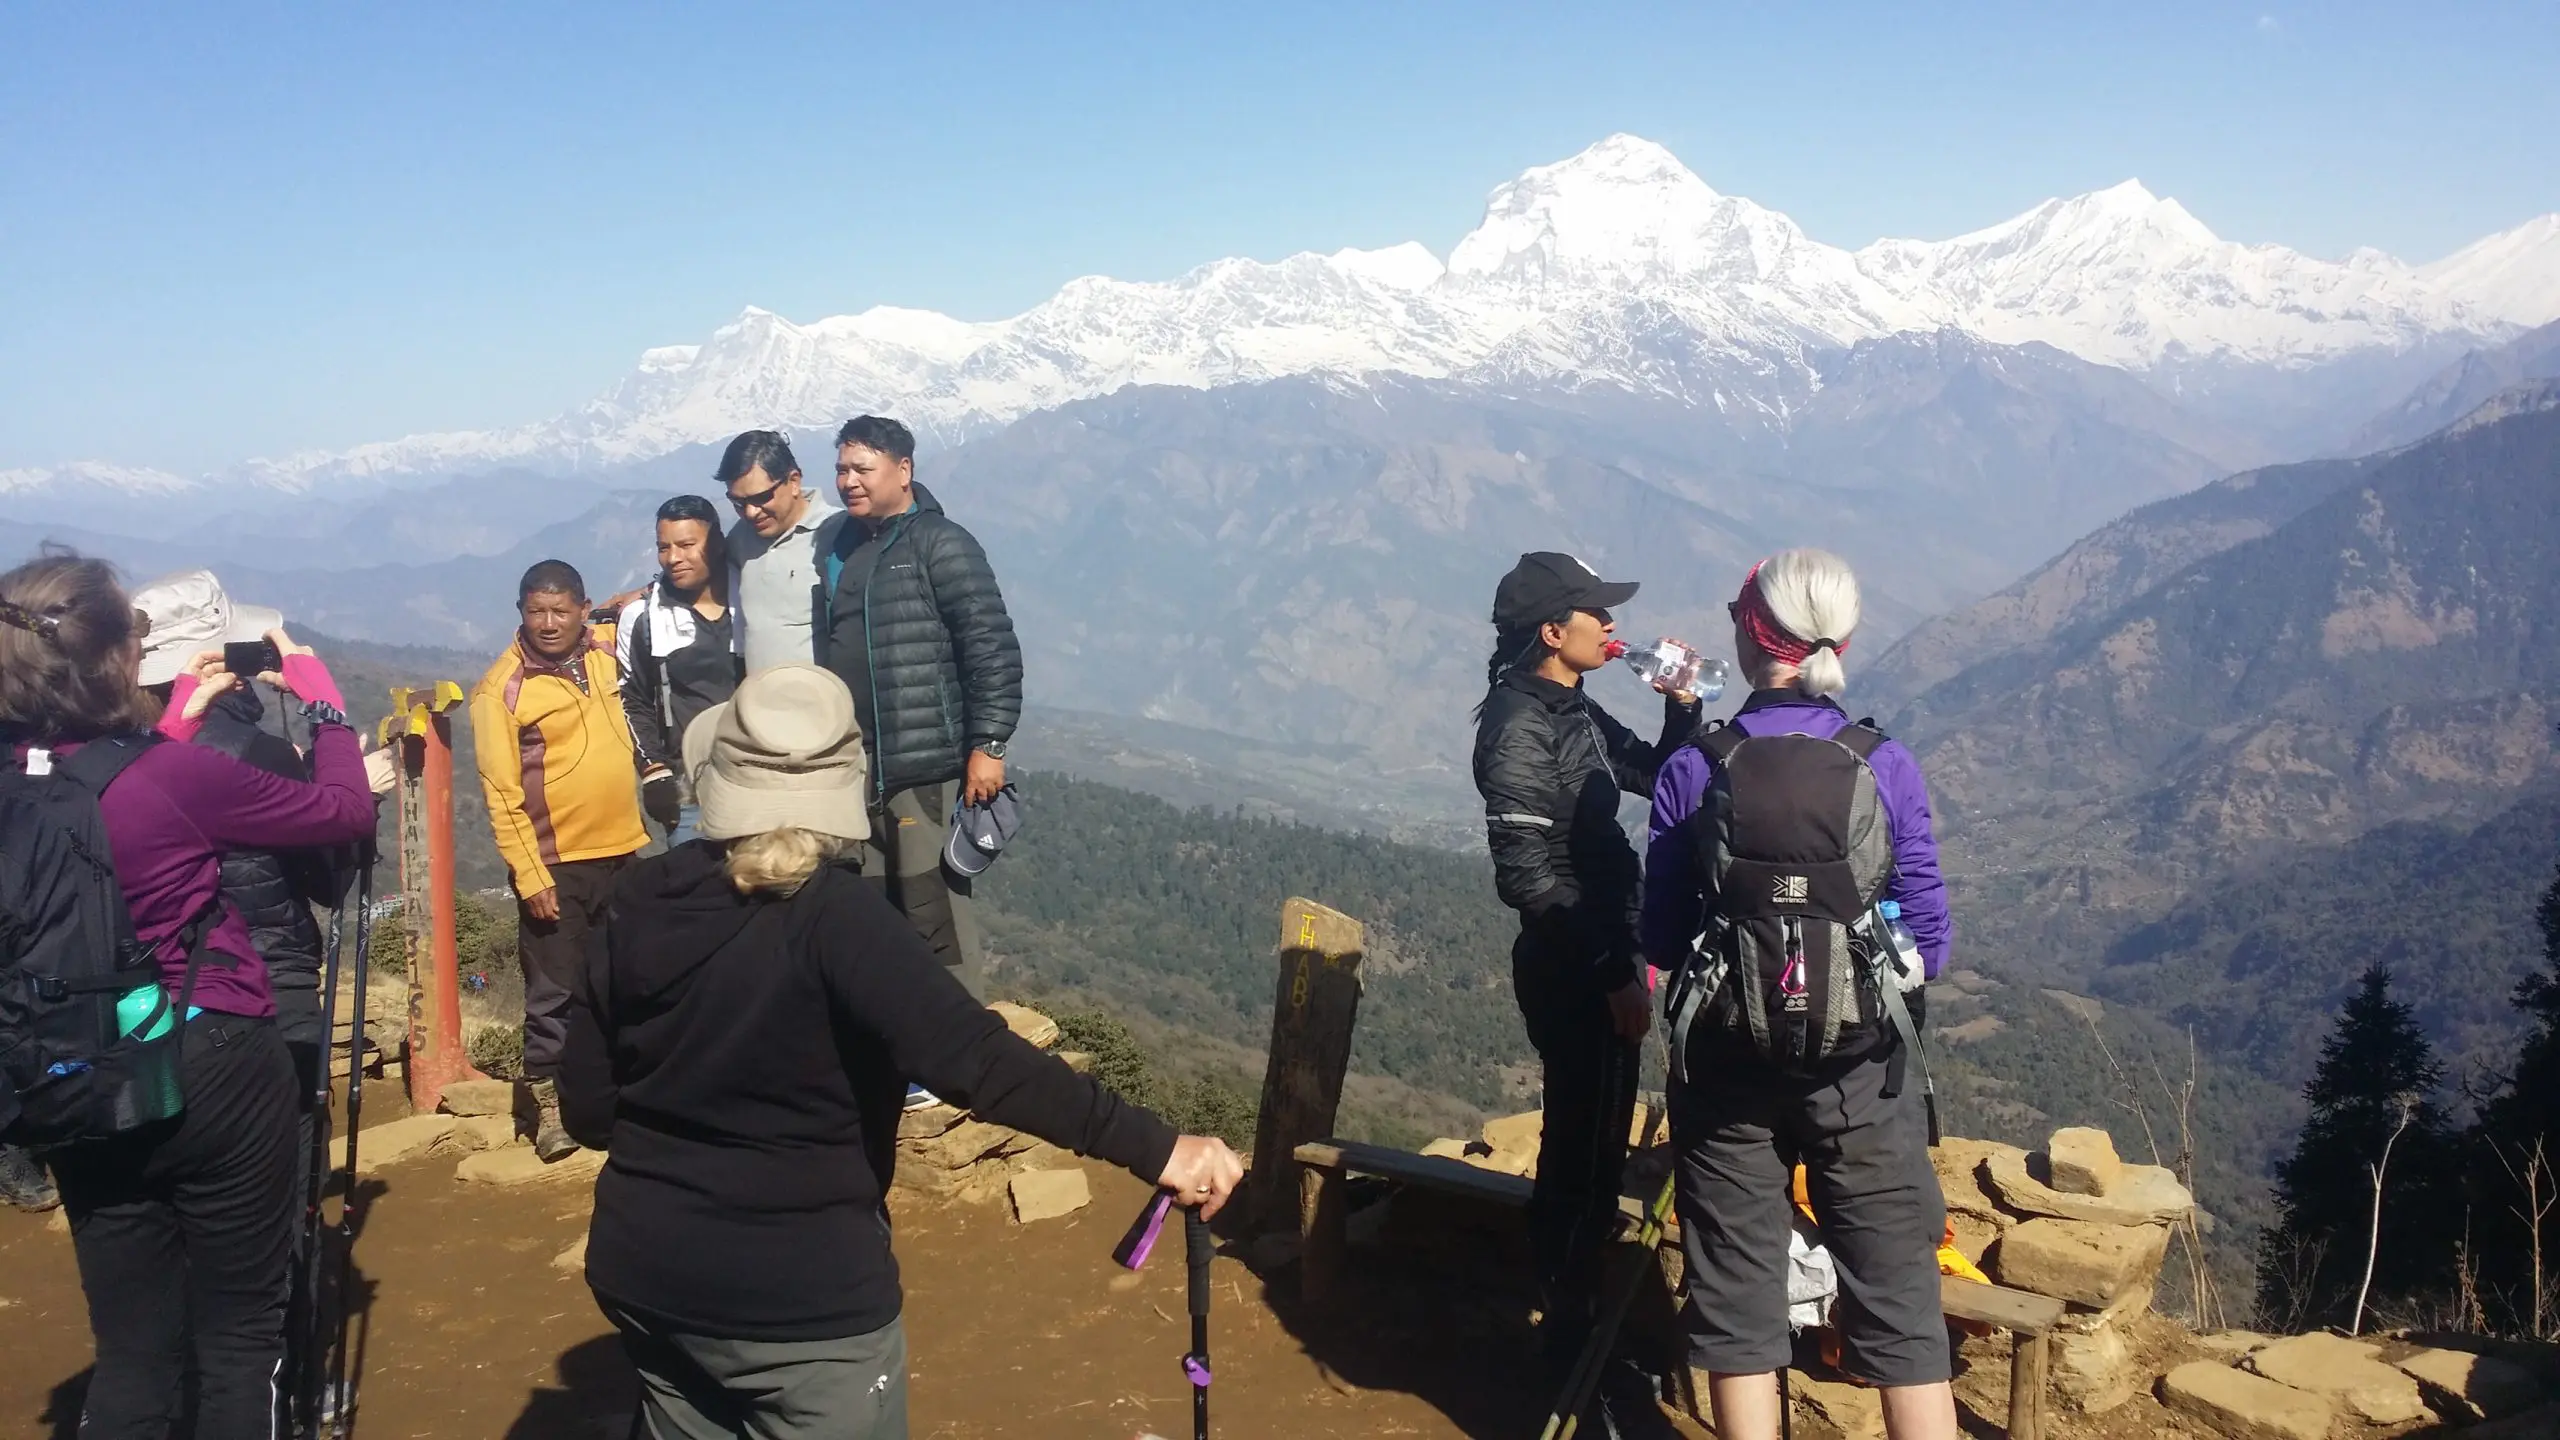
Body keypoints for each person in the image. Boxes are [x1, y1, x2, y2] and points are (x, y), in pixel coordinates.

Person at [558, 662, 1242, 1440]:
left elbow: (588, 1112)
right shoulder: (842, 923)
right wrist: (1161, 1150)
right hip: (805, 1311)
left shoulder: (636, 903)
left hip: (644, 1277)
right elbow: (980, 1061)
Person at [0, 553, 376, 1440]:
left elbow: (89, 802)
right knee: (239, 1341)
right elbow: (343, 813)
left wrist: (168, 726)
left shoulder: (27, 782)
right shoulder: (170, 779)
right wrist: (323, 704)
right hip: (213, 1063)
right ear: (116, 663)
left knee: (132, 1352)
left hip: (73, 1074)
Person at [1638, 549, 1957, 1440]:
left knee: (1738, 1309)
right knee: (1900, 1307)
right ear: (1840, 640)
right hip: (1864, 1075)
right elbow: (1929, 934)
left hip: (1729, 1072)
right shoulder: (1883, 762)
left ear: (1750, 633)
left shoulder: (1696, 768)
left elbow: (1660, 935)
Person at [1471, 551, 1700, 1437]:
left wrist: (1683, 703)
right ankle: (1567, 1344)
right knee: (1581, 1144)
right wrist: (1612, 973)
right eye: (1594, 616)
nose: (1611, 628)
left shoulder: (1575, 709)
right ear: (1550, 632)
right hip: (1574, 964)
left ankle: (1571, 1329)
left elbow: (1662, 776)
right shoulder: (1516, 725)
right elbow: (1527, 874)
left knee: (1595, 1141)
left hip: (1607, 951)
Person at [820, 415, 1021, 1000]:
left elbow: (992, 650)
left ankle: (958, 1054)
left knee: (932, 913)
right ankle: (898, 1049)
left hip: (924, 765)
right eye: (841, 469)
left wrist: (989, 746)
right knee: (874, 913)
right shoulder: (842, 545)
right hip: (857, 767)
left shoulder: (940, 543)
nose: (848, 480)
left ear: (902, 470)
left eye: (862, 468)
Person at [470, 559, 649, 1163]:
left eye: (560, 610)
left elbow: (646, 607)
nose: (548, 623)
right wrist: (529, 873)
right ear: (520, 611)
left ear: (581, 608)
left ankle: (622, 1093)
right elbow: (501, 792)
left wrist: (635, 599)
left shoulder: (603, 648)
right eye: (535, 611)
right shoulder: (503, 689)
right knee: (554, 991)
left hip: (625, 850)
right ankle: (552, 1111)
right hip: (556, 865)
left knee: (625, 977)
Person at [617, 495, 742, 845]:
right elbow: (632, 699)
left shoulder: (753, 600)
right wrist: (653, 771)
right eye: (663, 547)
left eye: (687, 545)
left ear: (716, 542)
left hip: (761, 778)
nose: (673, 558)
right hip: (689, 791)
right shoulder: (643, 618)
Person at [720, 430, 835, 673]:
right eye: (739, 503)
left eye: (762, 497)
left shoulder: (835, 533)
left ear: (793, 482)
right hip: (759, 706)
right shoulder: (741, 538)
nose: (751, 512)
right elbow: (701, 570)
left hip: (822, 704)